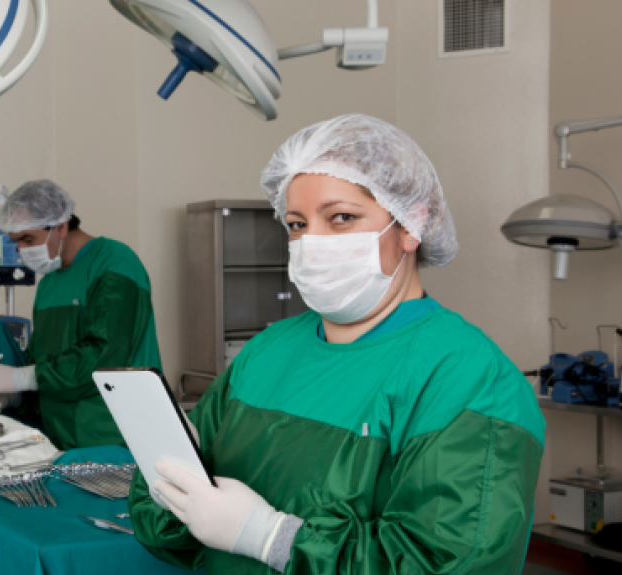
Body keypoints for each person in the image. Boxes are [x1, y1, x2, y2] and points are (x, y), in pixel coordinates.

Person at [128, 115, 545, 574]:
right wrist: (165, 473)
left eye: (341, 218)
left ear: (412, 224)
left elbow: (449, 561)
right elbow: (167, 528)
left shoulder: (469, 378)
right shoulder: (267, 351)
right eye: (296, 224)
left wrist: (269, 537)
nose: (312, 243)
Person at [0, 180, 162, 450]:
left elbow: (105, 356)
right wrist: (13, 397)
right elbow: (46, 364)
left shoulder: (114, 262)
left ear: (60, 226)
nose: (21, 251)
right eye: (16, 242)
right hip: (61, 436)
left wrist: (20, 377)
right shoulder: (49, 283)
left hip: (115, 434)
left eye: (27, 239)